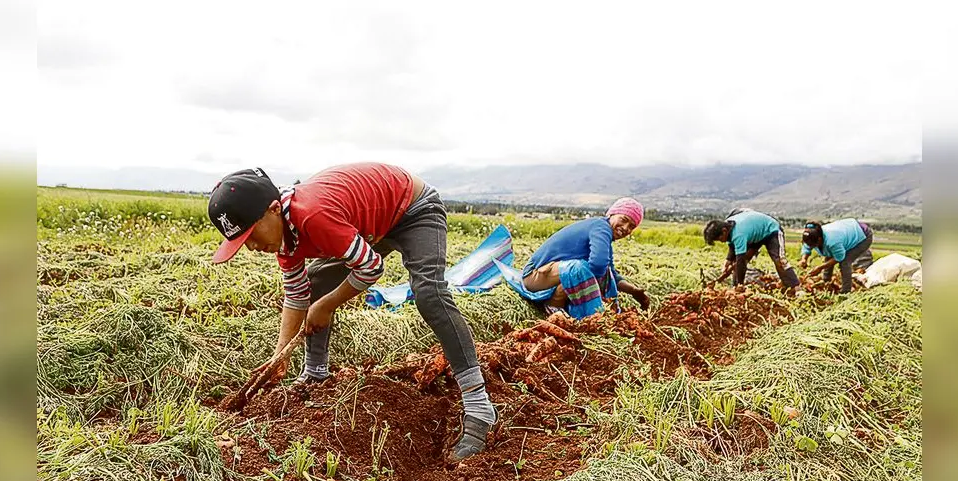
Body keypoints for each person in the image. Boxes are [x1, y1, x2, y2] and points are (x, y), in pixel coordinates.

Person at [206, 163, 496, 461]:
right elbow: (296, 294)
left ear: (273, 209)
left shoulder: (313, 215)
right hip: (371, 224)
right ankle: (315, 375)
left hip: (413, 208)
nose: (252, 247)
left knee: (429, 293)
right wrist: (280, 357)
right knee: (317, 281)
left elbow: (371, 267)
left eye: (251, 234)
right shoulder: (283, 238)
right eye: (242, 242)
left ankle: (478, 405)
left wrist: (326, 305)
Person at [518, 198, 650, 318]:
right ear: (611, 214)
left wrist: (634, 291)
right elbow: (598, 265)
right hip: (533, 276)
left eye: (632, 226)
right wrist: (599, 295)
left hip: (550, 275)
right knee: (580, 269)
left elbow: (611, 275)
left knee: (597, 271)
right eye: (624, 219)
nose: (626, 228)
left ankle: (584, 311)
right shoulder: (601, 227)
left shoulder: (604, 234)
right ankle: (556, 306)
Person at [703, 209, 801, 294]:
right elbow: (732, 246)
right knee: (735, 263)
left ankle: (796, 288)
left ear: (724, 231)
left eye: (719, 239)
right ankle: (735, 286)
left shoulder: (739, 234)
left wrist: (741, 284)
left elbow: (740, 260)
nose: (721, 241)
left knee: (779, 260)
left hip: (771, 230)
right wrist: (727, 260)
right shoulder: (727, 226)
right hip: (755, 235)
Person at [798, 218, 874, 294]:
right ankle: (826, 282)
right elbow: (807, 246)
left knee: (845, 262)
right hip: (846, 230)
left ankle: (846, 291)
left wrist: (820, 268)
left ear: (819, 240)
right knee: (829, 255)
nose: (811, 246)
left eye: (813, 245)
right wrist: (804, 259)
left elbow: (839, 257)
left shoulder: (832, 241)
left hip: (863, 234)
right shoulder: (812, 236)